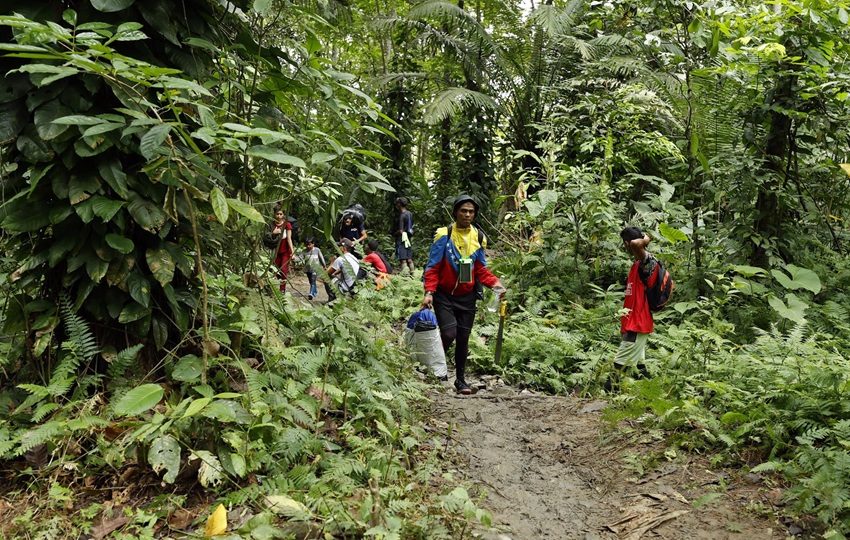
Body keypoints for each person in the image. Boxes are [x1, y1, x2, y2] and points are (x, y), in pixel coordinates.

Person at [422, 194, 506, 394]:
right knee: (449, 333)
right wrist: (429, 291)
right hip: (444, 295)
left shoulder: (479, 237)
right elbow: (433, 267)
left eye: (471, 211)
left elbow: (480, 269)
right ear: (455, 212)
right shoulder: (444, 235)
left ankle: (460, 380)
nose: (467, 215)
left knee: (463, 338)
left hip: (467, 297)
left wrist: (495, 284)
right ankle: (435, 364)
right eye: (463, 211)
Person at [614, 226, 657, 372]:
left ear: (626, 243)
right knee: (640, 367)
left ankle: (606, 391)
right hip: (633, 321)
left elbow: (635, 245)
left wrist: (645, 238)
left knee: (619, 365)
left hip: (637, 323)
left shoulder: (646, 261)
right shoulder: (637, 264)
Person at [264, 206, 294, 292]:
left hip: (285, 251)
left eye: (281, 214)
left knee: (284, 270)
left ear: (283, 215)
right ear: (274, 214)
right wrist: (274, 233)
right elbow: (267, 237)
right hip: (274, 251)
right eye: (277, 214)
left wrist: (292, 252)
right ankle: (271, 288)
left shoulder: (287, 224)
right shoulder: (271, 225)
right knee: (274, 270)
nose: (279, 216)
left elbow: (289, 239)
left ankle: (282, 290)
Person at [394, 197, 415, 274]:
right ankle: (413, 274)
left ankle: (405, 276)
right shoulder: (410, 213)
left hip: (402, 238)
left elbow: (401, 230)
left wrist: (395, 234)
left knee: (403, 259)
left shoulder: (402, 215)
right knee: (409, 258)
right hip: (409, 238)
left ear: (399, 204)